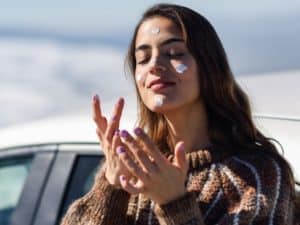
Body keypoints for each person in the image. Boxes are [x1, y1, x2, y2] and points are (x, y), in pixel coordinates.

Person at [60, 3, 299, 225]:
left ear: (209, 66)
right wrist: (110, 187)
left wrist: (174, 204)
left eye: (174, 53)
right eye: (142, 58)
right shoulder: (134, 168)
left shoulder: (256, 175)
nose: (154, 65)